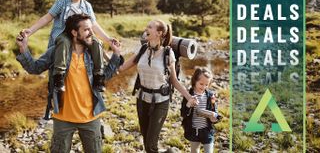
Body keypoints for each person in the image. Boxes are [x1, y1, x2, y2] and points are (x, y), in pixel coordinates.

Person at [16, 14, 123, 153]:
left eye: (91, 29)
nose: (91, 33)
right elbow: (34, 68)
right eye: (86, 30)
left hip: (91, 117)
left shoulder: (93, 53)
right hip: (63, 118)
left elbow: (104, 77)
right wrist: (24, 48)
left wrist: (116, 54)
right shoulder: (57, 52)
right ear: (74, 32)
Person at [20, 0, 114, 94]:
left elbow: (94, 25)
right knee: (64, 41)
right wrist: (31, 30)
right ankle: (59, 77)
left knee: (96, 42)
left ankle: (98, 77)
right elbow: (47, 18)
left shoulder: (87, 6)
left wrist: (108, 39)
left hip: (82, 38)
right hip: (64, 35)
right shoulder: (62, 3)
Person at [119, 19, 198, 153]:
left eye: (150, 27)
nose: (146, 28)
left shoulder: (168, 54)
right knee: (146, 140)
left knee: (151, 144)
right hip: (142, 100)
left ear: (159, 33)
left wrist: (189, 97)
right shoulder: (143, 49)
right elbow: (121, 68)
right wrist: (107, 52)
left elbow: (174, 80)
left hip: (160, 102)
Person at [180, 67, 220, 153]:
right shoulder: (188, 95)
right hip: (194, 130)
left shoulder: (209, 96)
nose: (204, 87)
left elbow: (215, 112)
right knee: (194, 150)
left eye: (206, 85)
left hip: (207, 130)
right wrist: (188, 104)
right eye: (201, 84)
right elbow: (183, 114)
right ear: (195, 81)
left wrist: (214, 118)